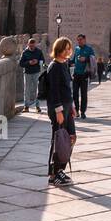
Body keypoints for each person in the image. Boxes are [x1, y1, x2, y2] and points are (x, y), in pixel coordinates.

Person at [46, 37, 76, 187]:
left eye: (69, 48)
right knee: (59, 139)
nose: (68, 51)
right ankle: (55, 172)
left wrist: (72, 106)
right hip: (58, 108)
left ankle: (59, 171)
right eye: (65, 48)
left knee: (71, 137)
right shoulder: (54, 67)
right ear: (59, 49)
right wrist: (58, 110)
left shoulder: (64, 64)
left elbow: (67, 89)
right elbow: (54, 91)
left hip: (66, 107)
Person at [71, 34, 95, 120]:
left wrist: (85, 59)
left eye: (80, 39)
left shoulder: (89, 49)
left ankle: (83, 112)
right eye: (78, 40)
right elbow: (73, 60)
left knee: (84, 94)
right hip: (76, 74)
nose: (79, 41)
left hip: (84, 74)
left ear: (84, 40)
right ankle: (76, 110)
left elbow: (93, 60)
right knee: (75, 94)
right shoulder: (76, 49)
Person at [18, 36, 45, 113]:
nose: (32, 47)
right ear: (28, 44)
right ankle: (26, 106)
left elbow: (42, 61)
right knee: (27, 90)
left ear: (35, 45)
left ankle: (37, 106)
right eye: (30, 46)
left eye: (33, 46)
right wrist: (29, 62)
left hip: (37, 72)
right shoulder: (25, 52)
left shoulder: (39, 52)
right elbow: (21, 63)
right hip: (27, 73)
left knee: (37, 90)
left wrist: (38, 62)